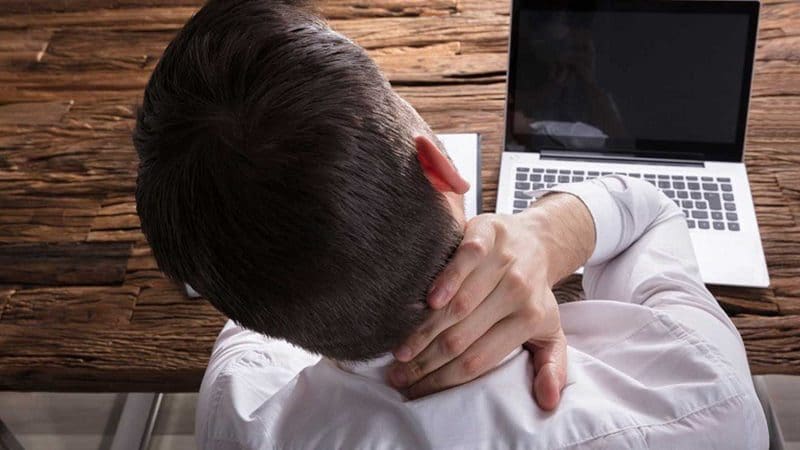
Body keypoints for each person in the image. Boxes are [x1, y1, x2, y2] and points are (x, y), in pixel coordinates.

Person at [132, 0, 769, 448]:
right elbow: (651, 212)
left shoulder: (240, 418)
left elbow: (249, 313)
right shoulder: (703, 396)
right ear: (440, 164)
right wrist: (546, 234)